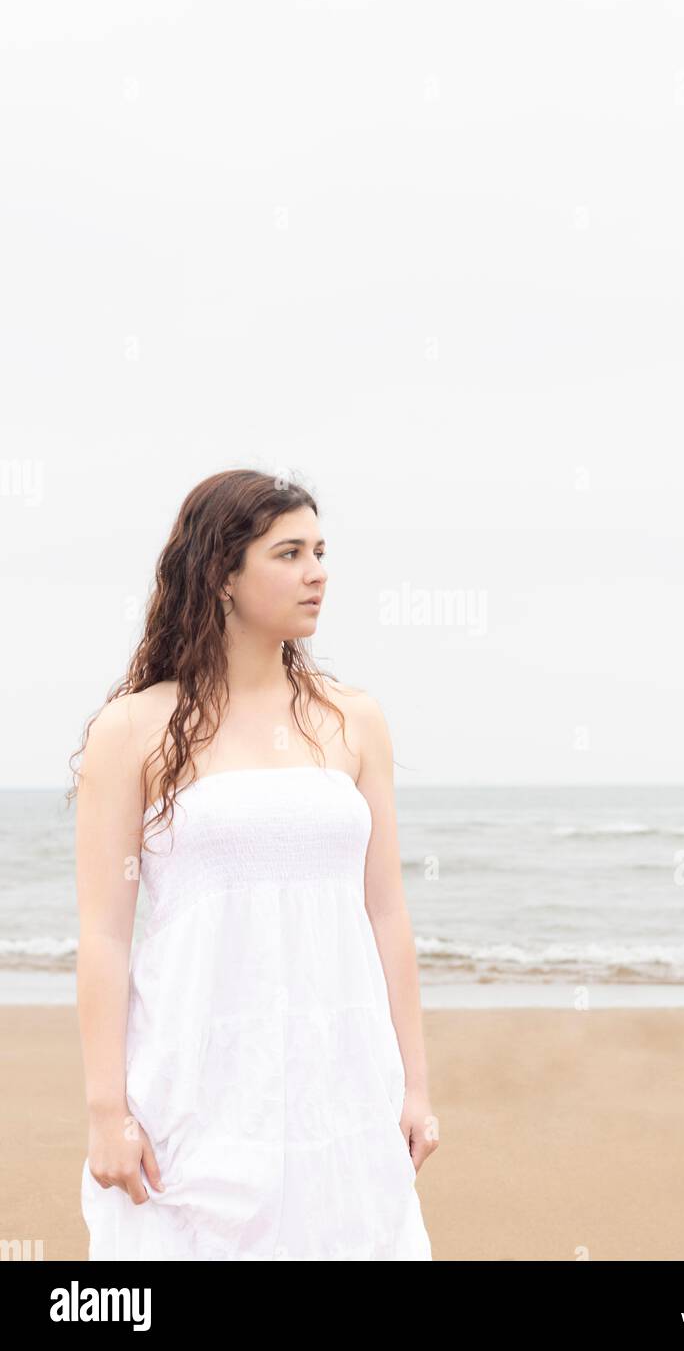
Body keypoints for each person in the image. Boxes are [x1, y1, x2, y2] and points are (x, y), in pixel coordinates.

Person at [73, 468, 436, 1260]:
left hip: (340, 1084)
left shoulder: (353, 720)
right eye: (289, 553)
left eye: (321, 551)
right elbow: (103, 934)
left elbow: (386, 913)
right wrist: (108, 1113)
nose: (318, 573)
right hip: (192, 1082)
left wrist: (415, 1085)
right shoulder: (133, 729)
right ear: (222, 576)